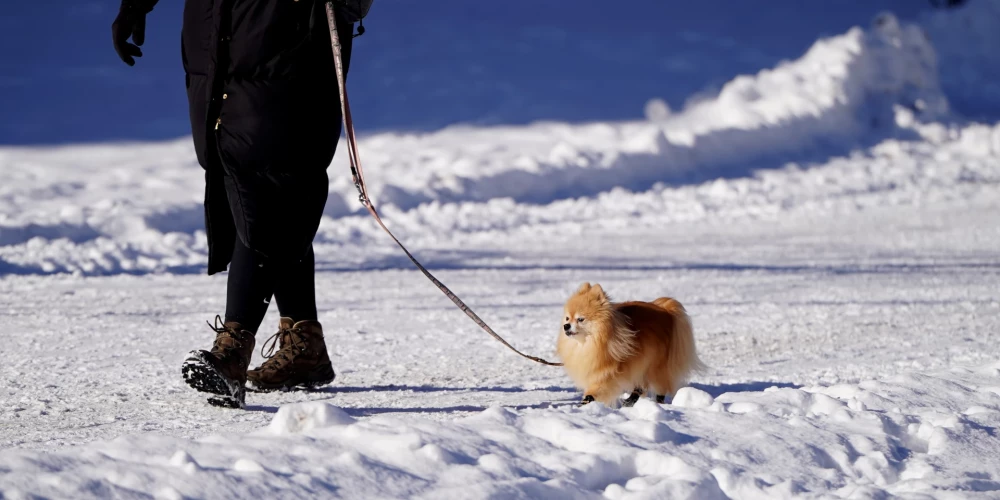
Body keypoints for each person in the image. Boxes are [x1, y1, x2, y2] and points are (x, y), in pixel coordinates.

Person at [112, 0, 372, 409]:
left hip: (288, 31)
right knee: (245, 175)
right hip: (213, 30)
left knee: (266, 176)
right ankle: (304, 343)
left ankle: (233, 350)